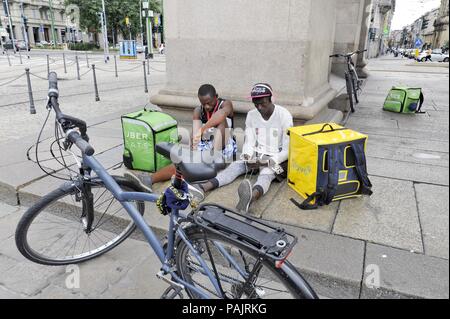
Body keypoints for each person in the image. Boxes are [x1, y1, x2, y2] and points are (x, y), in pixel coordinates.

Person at [194, 83, 293, 214]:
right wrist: (247, 156)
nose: (259, 107)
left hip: (277, 158)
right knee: (236, 166)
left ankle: (251, 198)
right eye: (256, 104)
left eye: (263, 103)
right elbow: (249, 142)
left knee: (266, 174)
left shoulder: (284, 115)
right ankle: (203, 187)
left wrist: (266, 162)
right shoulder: (252, 115)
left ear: (271, 99)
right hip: (257, 154)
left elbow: (287, 150)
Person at [124, 84, 236, 192]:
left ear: (216, 96)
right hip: (206, 148)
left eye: (209, 103)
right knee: (182, 162)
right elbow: (195, 134)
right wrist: (193, 149)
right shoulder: (198, 110)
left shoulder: (225, 104)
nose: (207, 107)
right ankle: (149, 179)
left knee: (222, 120)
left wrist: (203, 129)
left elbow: (221, 114)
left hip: (223, 149)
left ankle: (210, 159)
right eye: (203, 104)